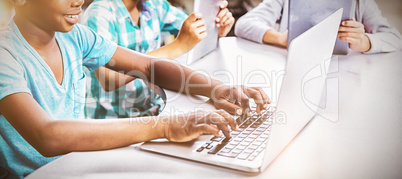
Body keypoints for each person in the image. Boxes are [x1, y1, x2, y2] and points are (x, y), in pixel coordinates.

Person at [0, 0, 268, 178]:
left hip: (76, 164)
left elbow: (150, 66)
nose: (78, 0)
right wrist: (165, 127)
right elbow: (47, 136)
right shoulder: (4, 54)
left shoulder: (75, 36)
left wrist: (216, 89)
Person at [81, 0, 235, 119]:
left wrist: (215, 28)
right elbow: (108, 80)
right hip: (114, 121)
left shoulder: (154, 4)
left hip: (152, 110)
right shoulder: (99, 14)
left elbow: (192, 32)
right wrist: (178, 46)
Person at [234, 0, 402, 54]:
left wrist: (363, 42)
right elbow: (243, 24)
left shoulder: (360, 3)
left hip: (347, 73)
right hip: (294, 69)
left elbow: (395, 38)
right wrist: (281, 39)